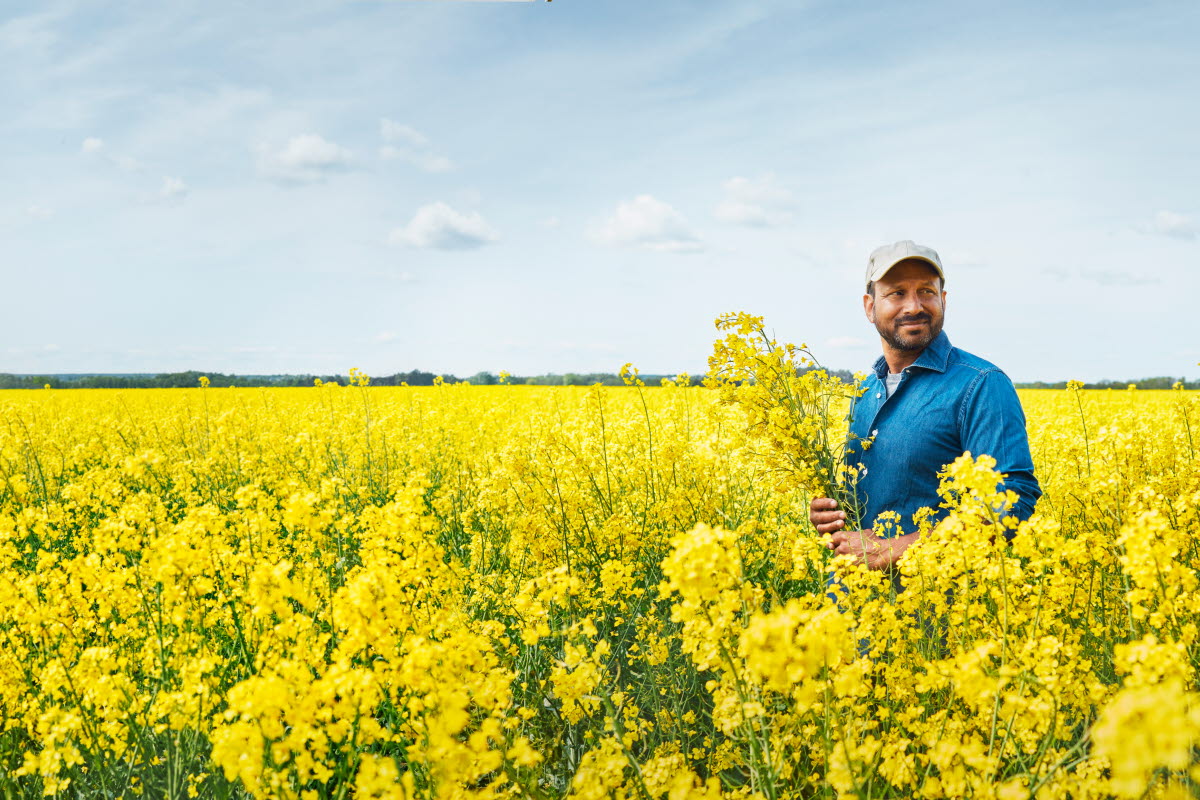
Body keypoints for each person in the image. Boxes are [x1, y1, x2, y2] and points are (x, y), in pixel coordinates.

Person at [809, 240, 1041, 570]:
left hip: (936, 611)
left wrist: (894, 550)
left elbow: (1011, 499)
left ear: (943, 300)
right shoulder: (863, 390)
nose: (914, 306)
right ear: (869, 306)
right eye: (897, 293)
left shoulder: (981, 383)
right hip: (852, 605)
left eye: (927, 292)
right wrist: (828, 514)